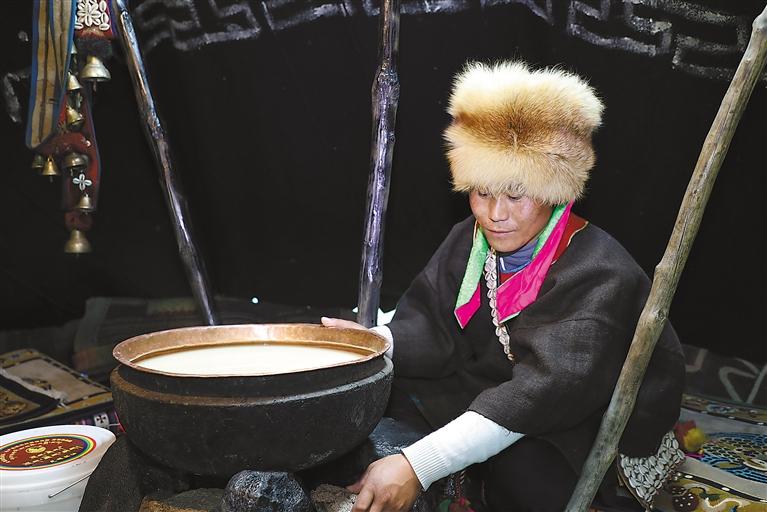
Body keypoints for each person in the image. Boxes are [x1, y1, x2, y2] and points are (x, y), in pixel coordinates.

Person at [322, 61, 685, 512]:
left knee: (523, 478)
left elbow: (543, 391)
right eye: (481, 192)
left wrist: (420, 465)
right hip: (504, 384)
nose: (495, 214)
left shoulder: (599, 273)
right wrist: (372, 343)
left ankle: (466, 473)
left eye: (515, 194)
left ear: (553, 190)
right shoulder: (470, 238)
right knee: (380, 392)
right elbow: (433, 325)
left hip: (587, 415)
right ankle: (461, 466)